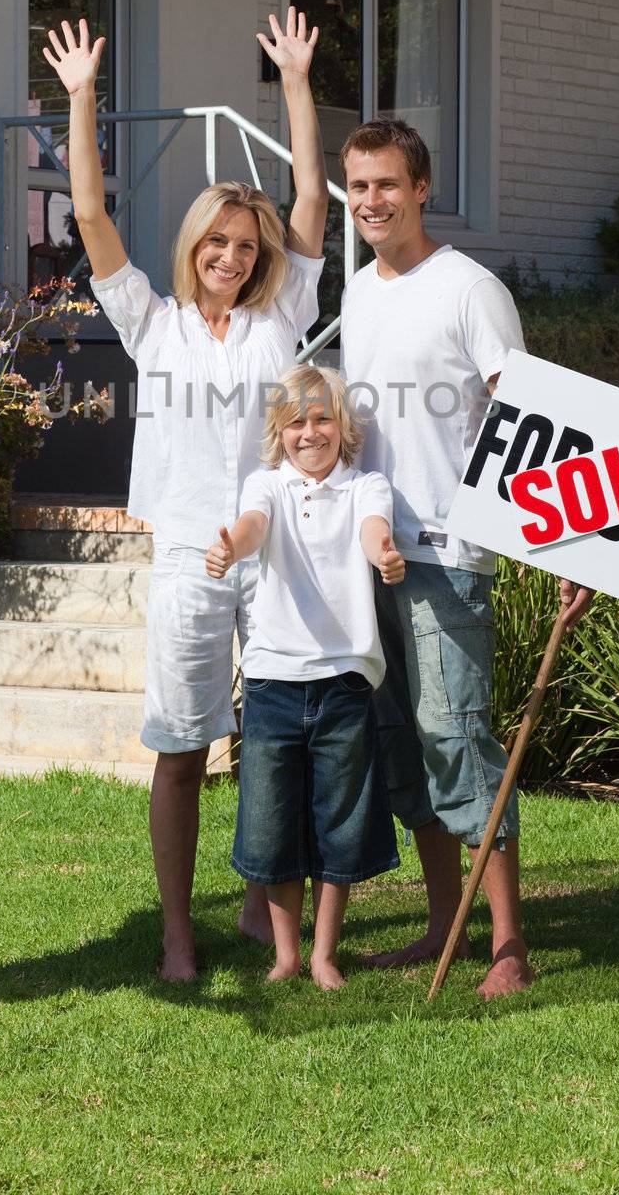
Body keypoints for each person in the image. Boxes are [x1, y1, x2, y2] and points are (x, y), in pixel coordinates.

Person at [43, 9, 328, 981]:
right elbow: (89, 217)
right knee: (180, 745)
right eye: (220, 242)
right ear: (195, 243)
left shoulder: (282, 316)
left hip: (276, 549)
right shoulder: (150, 324)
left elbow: (310, 201)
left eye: (247, 247)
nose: (234, 257)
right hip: (182, 559)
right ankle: (176, 932)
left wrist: (293, 81)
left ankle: (257, 910)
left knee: (275, 738)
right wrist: (82, 98)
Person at [337, 118, 592, 999]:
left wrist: (566, 542)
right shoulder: (358, 292)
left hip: (450, 553)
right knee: (405, 745)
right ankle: (441, 923)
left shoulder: (468, 289)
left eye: (386, 185)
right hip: (373, 556)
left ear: (421, 187)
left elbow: (525, 416)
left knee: (461, 741)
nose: (371, 201)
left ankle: (508, 945)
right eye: (358, 186)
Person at [206, 364, 403, 989]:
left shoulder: (366, 487)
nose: (310, 433)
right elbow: (254, 525)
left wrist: (384, 554)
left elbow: (375, 531)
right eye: (297, 423)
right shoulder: (265, 486)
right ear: (279, 432)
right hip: (272, 683)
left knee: (339, 821)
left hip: (344, 682)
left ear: (342, 428)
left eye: (322, 420)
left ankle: (323, 954)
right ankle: (285, 954)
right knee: (272, 822)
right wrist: (232, 545)